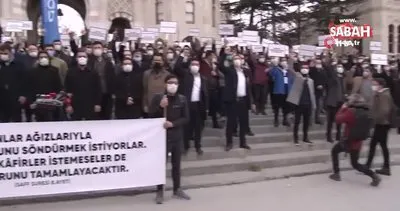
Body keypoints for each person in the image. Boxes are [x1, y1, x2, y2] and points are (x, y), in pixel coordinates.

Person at [149, 74, 191, 204]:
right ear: (165, 84)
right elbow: (151, 115)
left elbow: (186, 118)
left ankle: (177, 188)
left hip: (177, 136)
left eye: (176, 83)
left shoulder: (182, 99)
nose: (173, 85)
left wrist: (173, 124)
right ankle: (160, 191)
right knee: (161, 165)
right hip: (162, 137)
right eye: (170, 82)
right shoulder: (159, 97)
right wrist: (160, 107)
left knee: (176, 164)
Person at [329, 94, 381, 186]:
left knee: (334, 151)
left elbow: (337, 119)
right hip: (358, 142)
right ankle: (373, 175)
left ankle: (336, 174)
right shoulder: (366, 112)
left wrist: (343, 108)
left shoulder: (351, 112)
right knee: (355, 164)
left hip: (348, 141)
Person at [219, 53, 253, 151]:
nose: (238, 60)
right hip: (233, 101)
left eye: (239, 59)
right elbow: (221, 65)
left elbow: (248, 88)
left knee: (243, 123)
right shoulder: (230, 71)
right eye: (236, 59)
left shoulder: (245, 72)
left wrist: (250, 102)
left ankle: (243, 142)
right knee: (231, 123)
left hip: (243, 101)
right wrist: (227, 54)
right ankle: (229, 143)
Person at [366, 78, 393, 176]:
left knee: (376, 145)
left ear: (380, 85)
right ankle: (385, 167)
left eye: (375, 84)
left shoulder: (384, 95)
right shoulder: (379, 94)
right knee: (380, 145)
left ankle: (369, 166)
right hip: (381, 124)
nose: (373, 86)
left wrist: (375, 118)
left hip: (382, 124)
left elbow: (384, 111)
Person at [65, 49, 102, 120]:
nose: (82, 58)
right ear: (76, 59)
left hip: (90, 104)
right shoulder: (70, 73)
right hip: (75, 105)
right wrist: (68, 105)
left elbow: (98, 89)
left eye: (84, 56)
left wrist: (98, 104)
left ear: (87, 59)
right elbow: (67, 90)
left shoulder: (93, 73)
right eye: (79, 56)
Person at [287, 64, 316, 145]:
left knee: (306, 122)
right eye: (303, 68)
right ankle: (295, 138)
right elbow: (290, 69)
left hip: (308, 104)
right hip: (299, 104)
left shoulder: (311, 81)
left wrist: (313, 105)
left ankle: (305, 137)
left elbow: (312, 93)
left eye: (306, 68)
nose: (305, 69)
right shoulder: (298, 78)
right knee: (297, 122)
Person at [29, 51, 62, 122]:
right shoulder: (33, 71)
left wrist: (57, 100)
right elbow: (30, 87)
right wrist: (32, 101)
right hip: (38, 103)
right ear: (38, 59)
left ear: (48, 58)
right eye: (41, 57)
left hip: (52, 102)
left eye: (45, 57)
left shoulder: (54, 70)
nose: (43, 58)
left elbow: (58, 86)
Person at [88, 41, 116, 120]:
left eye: (99, 47)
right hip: (93, 94)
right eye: (95, 48)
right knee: (95, 117)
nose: (97, 49)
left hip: (107, 93)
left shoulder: (108, 63)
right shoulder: (89, 62)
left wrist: (113, 92)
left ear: (102, 49)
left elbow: (112, 78)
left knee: (106, 116)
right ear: (92, 49)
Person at [0, 43, 28, 122]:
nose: (3, 55)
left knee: (16, 119)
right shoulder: (1, 65)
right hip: (2, 98)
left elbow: (25, 81)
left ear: (10, 53)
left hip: (16, 97)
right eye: (1, 53)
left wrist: (23, 95)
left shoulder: (19, 65)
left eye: (5, 53)